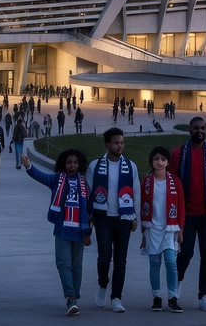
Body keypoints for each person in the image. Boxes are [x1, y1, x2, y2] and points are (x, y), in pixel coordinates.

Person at [170, 116, 206, 312]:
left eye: (203, 128)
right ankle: (175, 286)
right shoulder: (179, 153)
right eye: (196, 128)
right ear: (190, 130)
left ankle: (204, 295)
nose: (200, 131)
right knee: (186, 252)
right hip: (187, 214)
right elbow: (171, 183)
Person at [22, 148, 93, 316]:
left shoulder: (84, 183)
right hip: (62, 230)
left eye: (75, 163)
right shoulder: (57, 180)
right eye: (69, 162)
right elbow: (41, 176)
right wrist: (29, 166)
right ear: (63, 164)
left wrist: (89, 232)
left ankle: (74, 294)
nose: (72, 165)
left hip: (80, 231)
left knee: (77, 266)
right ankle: (70, 297)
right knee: (63, 264)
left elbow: (89, 209)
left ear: (80, 164)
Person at [90, 127, 139, 313]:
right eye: (116, 142)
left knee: (121, 260)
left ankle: (116, 297)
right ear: (107, 144)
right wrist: (90, 216)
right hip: (103, 217)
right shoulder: (95, 166)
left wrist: (134, 216)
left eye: (122, 142)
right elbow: (89, 190)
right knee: (104, 258)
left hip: (123, 218)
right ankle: (103, 285)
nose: (120, 146)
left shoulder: (130, 166)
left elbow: (136, 192)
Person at [140, 145, 184, 313]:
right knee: (154, 264)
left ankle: (173, 298)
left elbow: (181, 206)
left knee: (171, 262)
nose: (160, 162)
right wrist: (144, 233)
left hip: (169, 228)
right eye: (156, 159)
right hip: (152, 228)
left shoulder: (175, 181)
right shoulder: (147, 181)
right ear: (152, 161)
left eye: (163, 159)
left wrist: (180, 228)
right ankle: (156, 297)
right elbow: (142, 205)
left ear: (167, 162)